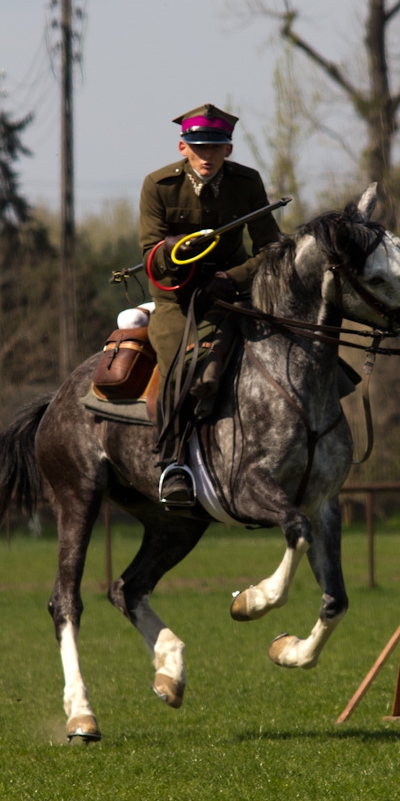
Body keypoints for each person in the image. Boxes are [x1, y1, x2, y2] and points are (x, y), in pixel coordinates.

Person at [139, 103, 283, 505]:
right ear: (182, 146)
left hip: (230, 293)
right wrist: (177, 251)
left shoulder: (248, 183)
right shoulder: (158, 185)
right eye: (199, 147)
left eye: (216, 147)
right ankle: (173, 465)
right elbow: (150, 253)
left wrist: (231, 278)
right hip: (176, 299)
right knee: (183, 371)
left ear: (229, 150)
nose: (207, 156)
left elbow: (271, 247)